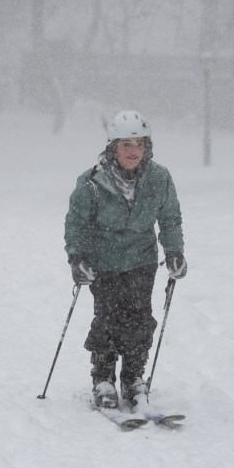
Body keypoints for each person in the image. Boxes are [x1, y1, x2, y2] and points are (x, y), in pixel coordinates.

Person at [64, 110, 187, 410]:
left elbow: (170, 219)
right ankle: (103, 379)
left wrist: (174, 252)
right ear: (113, 147)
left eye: (139, 144)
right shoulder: (92, 181)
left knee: (140, 320)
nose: (133, 151)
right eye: (126, 144)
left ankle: (133, 378)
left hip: (141, 261)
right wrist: (77, 258)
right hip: (103, 263)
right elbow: (76, 223)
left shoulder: (159, 178)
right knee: (108, 319)